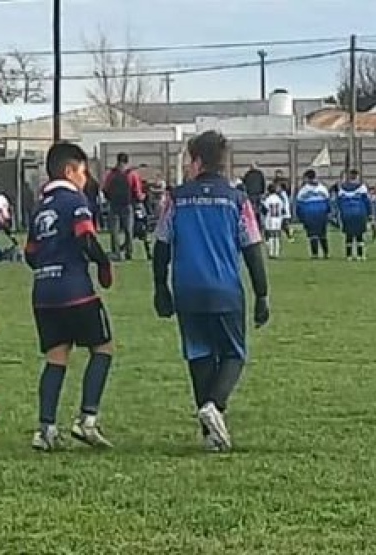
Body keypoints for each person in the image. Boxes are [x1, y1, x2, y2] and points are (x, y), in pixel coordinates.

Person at [152, 130, 270, 452]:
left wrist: (160, 288)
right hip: (224, 289)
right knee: (233, 353)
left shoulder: (176, 198)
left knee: (199, 354)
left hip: (187, 290)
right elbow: (253, 248)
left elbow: (161, 245)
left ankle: (210, 435)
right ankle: (214, 406)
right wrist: (262, 294)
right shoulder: (237, 199)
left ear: (197, 160)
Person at [25, 142, 115, 452]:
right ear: (69, 171)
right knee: (103, 347)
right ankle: (87, 419)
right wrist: (103, 264)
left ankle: (46, 429)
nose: (85, 178)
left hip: (43, 294)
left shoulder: (39, 207)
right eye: (83, 171)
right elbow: (86, 236)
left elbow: (30, 254)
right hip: (75, 290)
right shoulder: (74, 200)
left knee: (56, 356)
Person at [103, 153, 145, 260]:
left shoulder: (111, 174)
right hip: (128, 205)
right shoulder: (132, 174)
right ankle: (129, 252)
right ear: (127, 161)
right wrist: (141, 198)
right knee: (128, 230)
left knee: (114, 231)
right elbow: (137, 190)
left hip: (114, 205)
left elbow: (105, 188)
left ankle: (116, 253)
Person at [295, 169, 331, 259]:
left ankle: (315, 254)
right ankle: (326, 253)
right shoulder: (323, 188)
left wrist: (300, 216)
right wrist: (328, 213)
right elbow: (328, 202)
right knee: (323, 234)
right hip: (322, 214)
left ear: (307, 178)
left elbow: (299, 204)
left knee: (313, 235)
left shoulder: (303, 190)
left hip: (309, 214)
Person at [337, 170, 371, 261]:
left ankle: (349, 255)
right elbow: (367, 202)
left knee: (349, 235)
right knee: (359, 235)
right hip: (359, 213)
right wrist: (370, 214)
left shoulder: (342, 188)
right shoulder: (362, 187)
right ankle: (360, 255)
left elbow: (339, 202)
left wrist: (340, 213)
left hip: (347, 213)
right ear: (357, 176)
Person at [262, 183, 286, 259]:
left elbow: (265, 210)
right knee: (277, 236)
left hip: (270, 218)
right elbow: (283, 209)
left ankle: (271, 253)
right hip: (278, 219)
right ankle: (277, 253)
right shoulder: (279, 199)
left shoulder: (268, 199)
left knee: (271, 236)